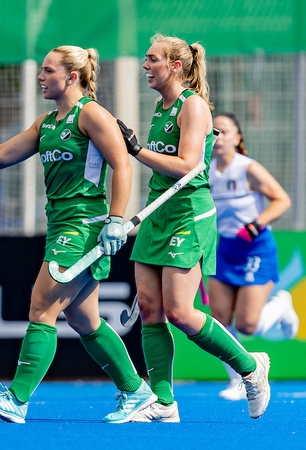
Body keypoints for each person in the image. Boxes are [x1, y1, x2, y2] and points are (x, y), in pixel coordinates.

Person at [0, 45, 157, 424]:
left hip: (83, 226)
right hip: (59, 224)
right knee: (85, 322)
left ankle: (17, 399)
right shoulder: (47, 122)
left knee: (41, 308)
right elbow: (1, 155)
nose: (40, 76)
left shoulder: (93, 114)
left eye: (48, 71)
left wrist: (117, 219)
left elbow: (122, 165)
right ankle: (136, 392)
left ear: (71, 76)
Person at [116, 34, 271, 421]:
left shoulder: (194, 106)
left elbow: (188, 166)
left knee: (182, 313)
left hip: (188, 213)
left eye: (152, 59)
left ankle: (251, 367)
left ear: (175, 66)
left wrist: (137, 151)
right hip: (157, 211)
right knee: (151, 309)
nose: (145, 65)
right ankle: (164, 403)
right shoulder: (159, 105)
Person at [208, 112, 297, 401]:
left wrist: (256, 223)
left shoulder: (248, 168)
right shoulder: (204, 171)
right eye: (213, 132)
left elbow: (282, 199)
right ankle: (239, 379)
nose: (218, 137)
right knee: (219, 321)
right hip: (224, 249)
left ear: (238, 137)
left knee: (248, 325)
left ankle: (282, 305)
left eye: (224, 131)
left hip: (255, 247)